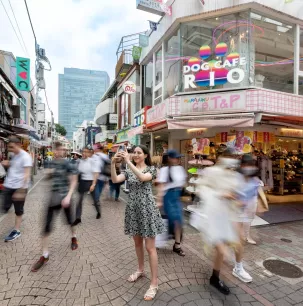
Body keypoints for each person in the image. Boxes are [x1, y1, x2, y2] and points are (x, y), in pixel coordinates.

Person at [111, 145, 165, 301]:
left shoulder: (152, 169)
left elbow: (142, 177)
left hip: (147, 209)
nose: (135, 154)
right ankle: (140, 270)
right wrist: (113, 164)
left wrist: (128, 162)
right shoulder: (129, 169)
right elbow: (115, 180)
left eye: (138, 153)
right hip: (133, 209)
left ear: (145, 155)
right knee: (137, 244)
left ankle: (154, 283)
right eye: (133, 152)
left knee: (150, 248)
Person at [197, 148, 252, 295]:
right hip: (212, 215)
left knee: (223, 249)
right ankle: (215, 278)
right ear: (221, 157)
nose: (232, 159)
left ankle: (215, 276)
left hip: (227, 216)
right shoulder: (210, 171)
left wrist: (237, 201)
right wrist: (220, 194)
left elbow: (237, 194)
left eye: (234, 157)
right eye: (229, 156)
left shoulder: (234, 175)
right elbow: (201, 190)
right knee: (221, 249)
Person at [31, 142, 78, 272]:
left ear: (65, 151)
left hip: (65, 199)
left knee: (70, 221)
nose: (59, 152)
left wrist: (68, 196)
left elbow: (73, 181)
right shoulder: (51, 163)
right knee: (46, 227)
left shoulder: (69, 164)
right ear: (54, 151)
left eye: (62, 149)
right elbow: (47, 177)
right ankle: (44, 255)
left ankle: (74, 236)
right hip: (52, 200)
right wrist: (48, 173)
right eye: (57, 150)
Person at [1, 136, 32, 242]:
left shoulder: (26, 157)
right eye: (9, 147)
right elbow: (15, 168)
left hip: (19, 187)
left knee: (18, 210)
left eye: (12, 147)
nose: (10, 149)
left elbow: (27, 174)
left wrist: (21, 190)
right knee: (4, 207)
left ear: (19, 145)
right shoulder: (13, 155)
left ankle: (16, 230)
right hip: (8, 186)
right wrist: (8, 164)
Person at [157, 149, 187, 256]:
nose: (178, 159)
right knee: (169, 220)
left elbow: (183, 184)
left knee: (178, 220)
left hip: (176, 197)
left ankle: (177, 245)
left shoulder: (180, 169)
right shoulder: (164, 170)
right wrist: (159, 201)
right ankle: (159, 240)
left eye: (179, 157)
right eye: (176, 157)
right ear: (170, 158)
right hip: (168, 197)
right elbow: (161, 186)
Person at [239, 154, 263, 245]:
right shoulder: (237, 175)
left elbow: (257, 190)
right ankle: (239, 236)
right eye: (247, 164)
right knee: (238, 219)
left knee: (248, 219)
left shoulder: (254, 177)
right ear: (242, 165)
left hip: (252, 201)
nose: (249, 167)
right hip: (240, 202)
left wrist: (260, 203)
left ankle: (246, 236)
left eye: (251, 164)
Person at [73, 147, 100, 225]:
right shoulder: (80, 162)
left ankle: (98, 211)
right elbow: (78, 173)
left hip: (90, 182)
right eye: (83, 152)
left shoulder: (93, 161)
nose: (84, 153)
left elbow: (96, 173)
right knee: (79, 200)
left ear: (89, 153)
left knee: (95, 200)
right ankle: (78, 218)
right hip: (82, 182)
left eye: (86, 152)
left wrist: (93, 184)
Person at [91, 144, 110, 217]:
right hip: (104, 176)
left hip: (96, 176)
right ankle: (97, 199)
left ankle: (96, 200)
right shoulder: (105, 156)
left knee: (96, 189)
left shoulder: (95, 156)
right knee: (99, 189)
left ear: (97, 149)